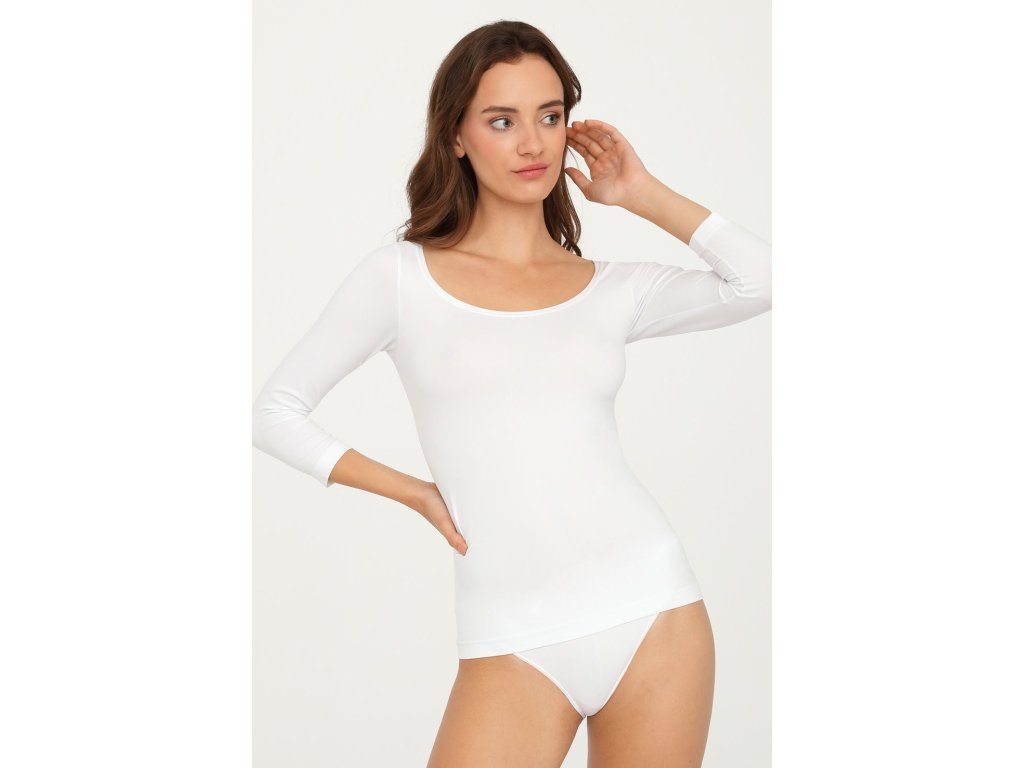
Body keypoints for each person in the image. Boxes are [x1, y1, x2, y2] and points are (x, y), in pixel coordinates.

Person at [252, 19, 770, 767]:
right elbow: (274, 412)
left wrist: (640, 192)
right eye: (502, 121)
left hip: (653, 612)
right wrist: (416, 493)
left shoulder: (610, 289)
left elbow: (762, 282)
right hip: (512, 636)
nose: (533, 144)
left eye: (549, 117)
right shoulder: (399, 278)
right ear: (456, 137)